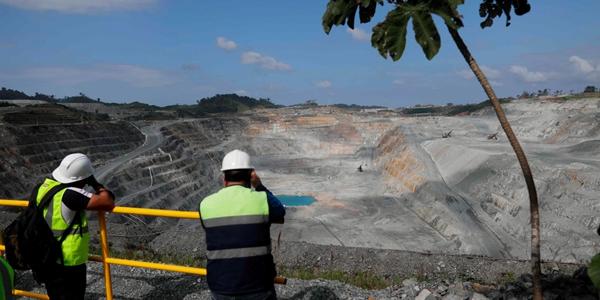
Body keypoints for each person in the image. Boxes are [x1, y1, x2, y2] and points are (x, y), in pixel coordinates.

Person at [199, 150, 285, 300]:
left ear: (224, 178)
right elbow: (279, 211)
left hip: (220, 285)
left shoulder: (205, 204)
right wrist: (259, 185)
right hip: (258, 285)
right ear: (250, 176)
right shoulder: (262, 199)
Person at [39, 153, 115, 300]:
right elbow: (107, 202)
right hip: (69, 260)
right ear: (83, 178)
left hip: (46, 255)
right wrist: (95, 183)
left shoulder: (44, 186)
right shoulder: (70, 195)